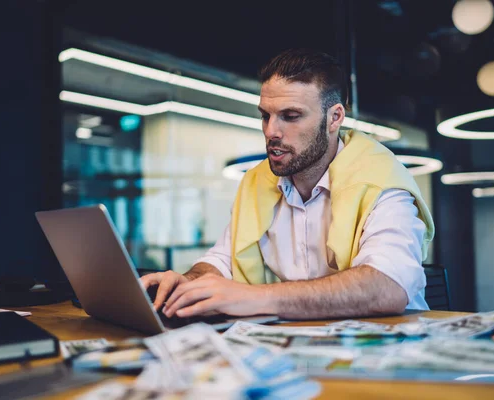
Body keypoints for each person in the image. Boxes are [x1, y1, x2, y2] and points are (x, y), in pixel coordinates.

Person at [140, 48, 434, 320]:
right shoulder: (256, 181)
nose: (271, 131)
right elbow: (223, 260)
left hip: (386, 357)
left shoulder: (381, 181)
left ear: (334, 118)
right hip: (295, 351)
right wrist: (188, 282)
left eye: (290, 116)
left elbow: (387, 285)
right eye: (265, 116)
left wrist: (255, 298)